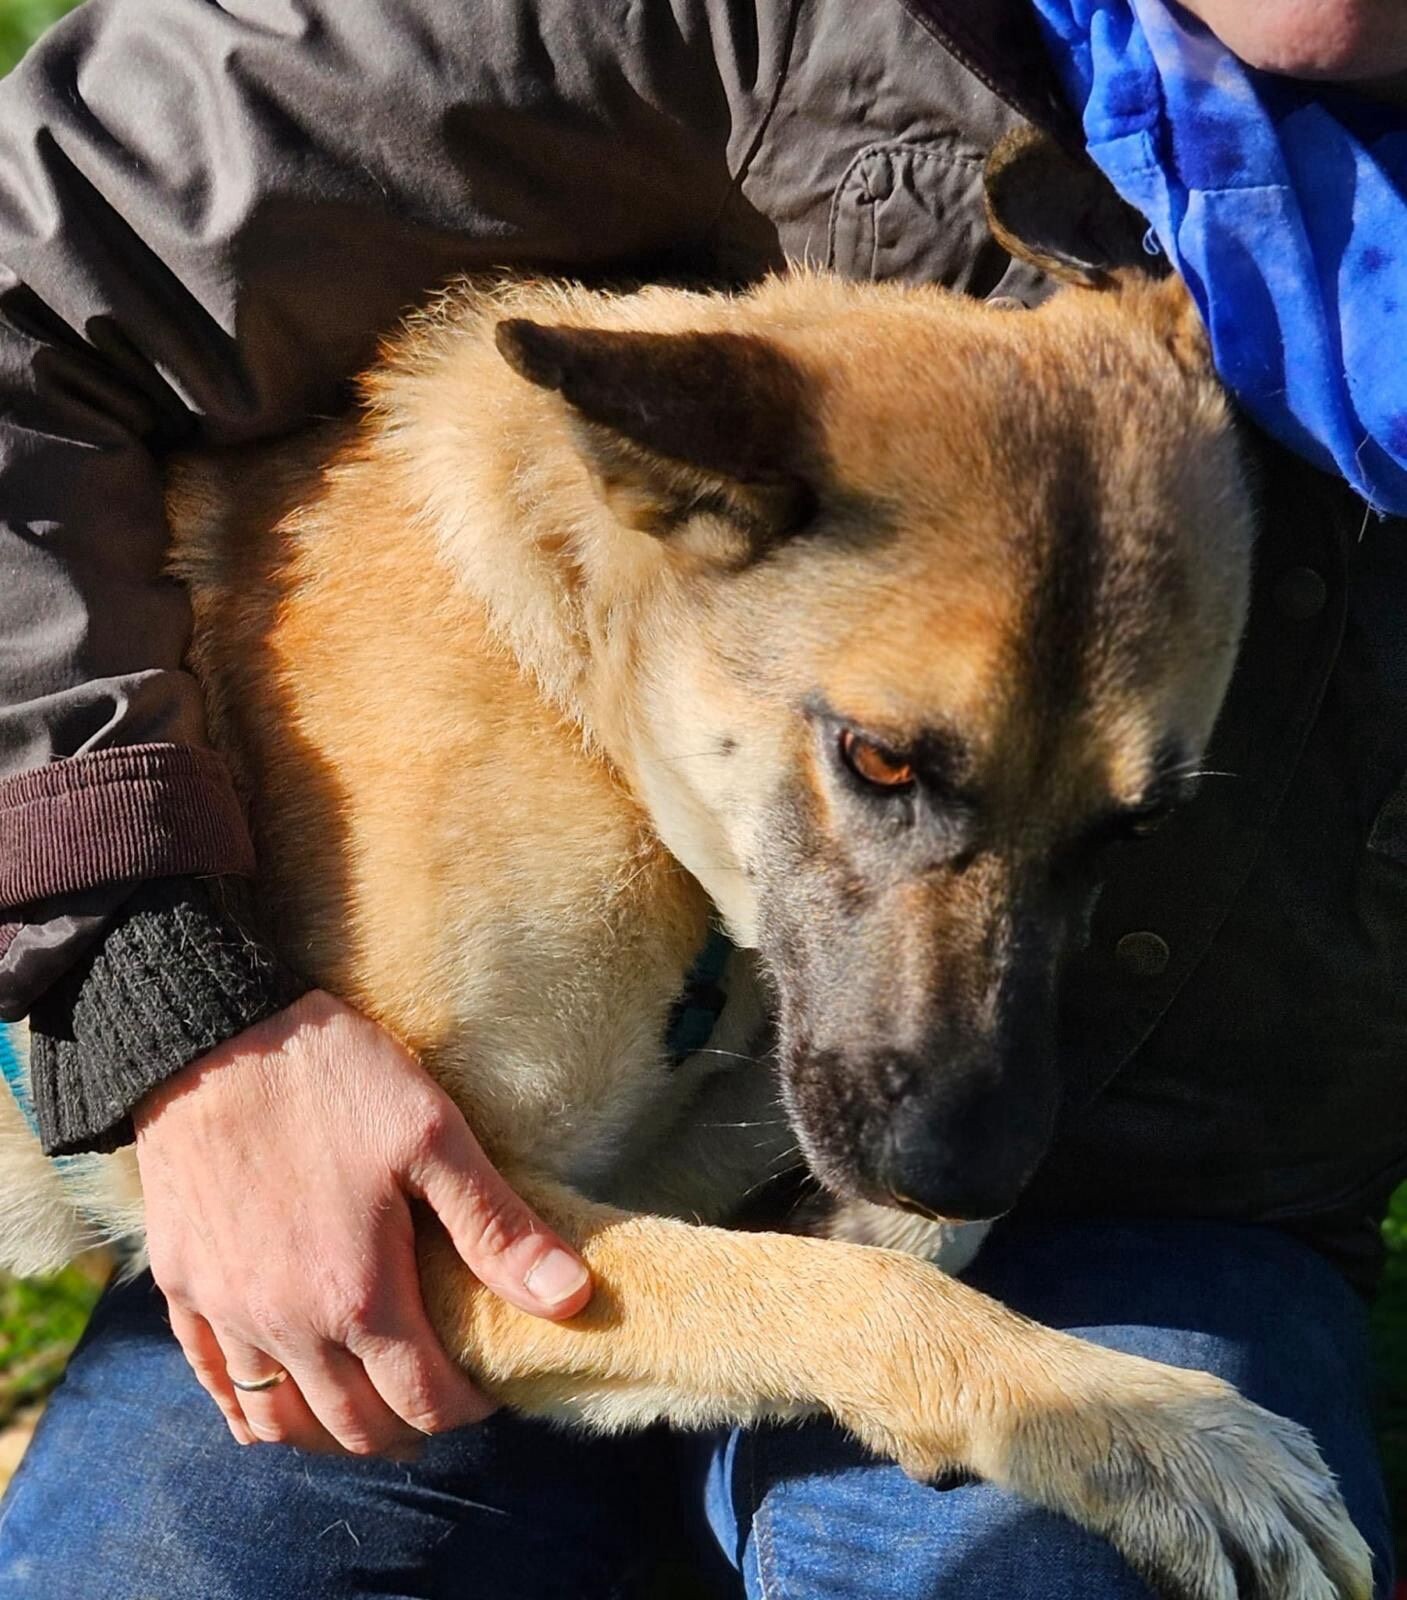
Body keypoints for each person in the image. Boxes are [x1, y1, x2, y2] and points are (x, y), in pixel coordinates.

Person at [0, 1, 1401, 1595]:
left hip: (1148, 1209)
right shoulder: (506, 624)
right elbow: (449, 1258)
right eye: (886, 767)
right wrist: (164, 1006)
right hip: (328, 1156)